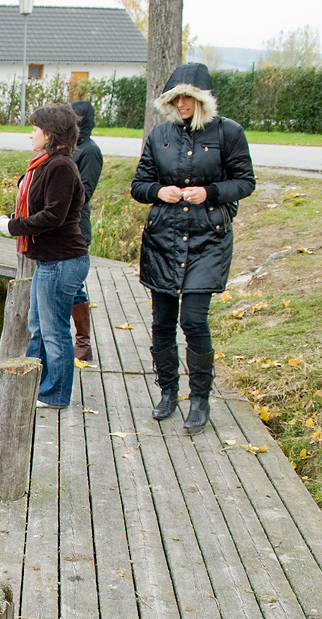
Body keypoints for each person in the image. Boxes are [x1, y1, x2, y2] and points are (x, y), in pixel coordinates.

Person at [131, 63, 255, 433]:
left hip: (208, 239)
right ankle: (168, 392)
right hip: (164, 237)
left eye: (187, 97)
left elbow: (245, 181)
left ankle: (199, 399)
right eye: (174, 98)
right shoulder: (160, 135)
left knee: (194, 319)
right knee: (163, 321)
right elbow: (140, 184)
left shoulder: (229, 133)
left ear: (202, 99)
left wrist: (210, 192)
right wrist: (158, 191)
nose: (181, 103)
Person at [0, 103, 88, 409]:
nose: (30, 134)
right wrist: (9, 218)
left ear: (50, 133)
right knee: (39, 327)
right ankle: (35, 382)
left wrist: (13, 227)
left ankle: (54, 395)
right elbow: (37, 207)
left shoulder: (60, 166)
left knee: (54, 331)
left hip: (61, 261)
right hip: (49, 260)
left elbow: (53, 216)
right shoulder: (44, 164)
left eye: (34, 129)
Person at [70, 99, 102, 361]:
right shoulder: (65, 148)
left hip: (77, 225)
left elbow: (85, 192)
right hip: (60, 224)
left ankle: (83, 342)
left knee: (75, 285)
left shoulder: (89, 151)